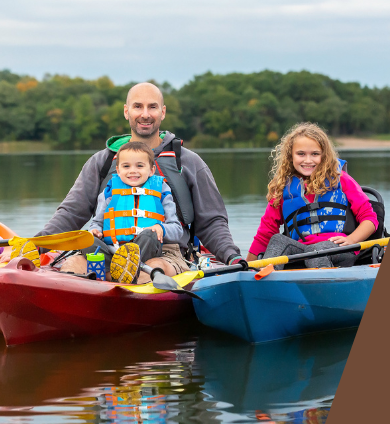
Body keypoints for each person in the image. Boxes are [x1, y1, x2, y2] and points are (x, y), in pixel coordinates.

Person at [39, 82, 242, 279]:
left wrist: (231, 256)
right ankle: (97, 292)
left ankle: (125, 289)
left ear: (162, 112)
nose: (145, 114)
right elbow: (71, 213)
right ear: (126, 111)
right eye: (138, 106)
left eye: (152, 107)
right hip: (110, 249)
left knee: (149, 272)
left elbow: (212, 222)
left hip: (166, 252)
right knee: (73, 265)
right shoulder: (102, 161)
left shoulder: (189, 162)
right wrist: (38, 244)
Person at [247, 122, 379, 268]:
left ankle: (324, 288)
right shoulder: (282, 189)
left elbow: (370, 219)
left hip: (339, 248)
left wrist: (352, 240)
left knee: (316, 250)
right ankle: (261, 280)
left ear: (324, 155)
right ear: (291, 156)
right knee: (278, 240)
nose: (308, 160)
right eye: (301, 154)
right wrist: (245, 267)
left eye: (315, 154)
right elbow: (265, 234)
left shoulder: (341, 179)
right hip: (302, 251)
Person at [85, 141, 184, 283]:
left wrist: (161, 228)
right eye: (126, 166)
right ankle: (120, 268)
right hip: (113, 250)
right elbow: (97, 222)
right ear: (118, 170)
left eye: (140, 166)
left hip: (145, 249)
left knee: (150, 235)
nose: (133, 171)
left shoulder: (162, 189)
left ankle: (126, 269)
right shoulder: (110, 191)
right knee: (87, 240)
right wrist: (94, 230)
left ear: (151, 170)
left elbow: (177, 230)